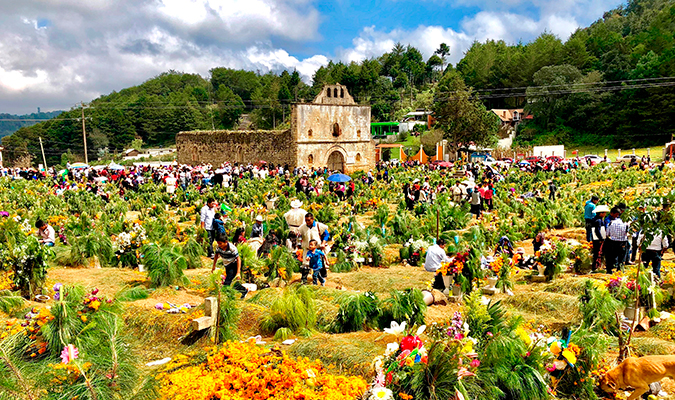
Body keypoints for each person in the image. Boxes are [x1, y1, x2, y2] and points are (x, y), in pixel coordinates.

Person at [211, 234, 247, 299]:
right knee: (231, 281)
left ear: (226, 242)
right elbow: (216, 255)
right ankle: (244, 290)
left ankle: (228, 297)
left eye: (221, 243)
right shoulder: (218, 247)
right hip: (227, 266)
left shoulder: (232, 248)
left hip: (234, 265)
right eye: (218, 243)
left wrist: (238, 272)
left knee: (227, 283)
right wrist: (213, 266)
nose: (219, 245)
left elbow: (238, 259)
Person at [298, 213, 330, 285]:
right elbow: (299, 235)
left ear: (312, 219)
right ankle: (304, 281)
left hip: (317, 248)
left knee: (320, 264)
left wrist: (323, 243)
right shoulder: (302, 227)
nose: (307, 222)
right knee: (305, 265)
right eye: (306, 220)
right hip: (307, 249)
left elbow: (326, 234)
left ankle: (323, 279)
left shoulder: (319, 226)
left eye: (309, 220)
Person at [605, 207, 630, 274]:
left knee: (611, 257)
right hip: (623, 242)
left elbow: (607, 233)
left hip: (613, 242)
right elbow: (628, 233)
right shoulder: (626, 224)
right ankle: (620, 270)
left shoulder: (611, 223)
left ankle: (609, 270)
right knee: (621, 258)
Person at [591, 205, 610, 272]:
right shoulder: (598, 220)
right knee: (598, 253)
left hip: (596, 239)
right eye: (604, 213)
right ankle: (595, 267)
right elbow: (597, 230)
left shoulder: (595, 219)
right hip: (597, 239)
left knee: (597, 253)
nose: (605, 214)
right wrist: (601, 239)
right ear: (601, 213)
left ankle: (596, 266)